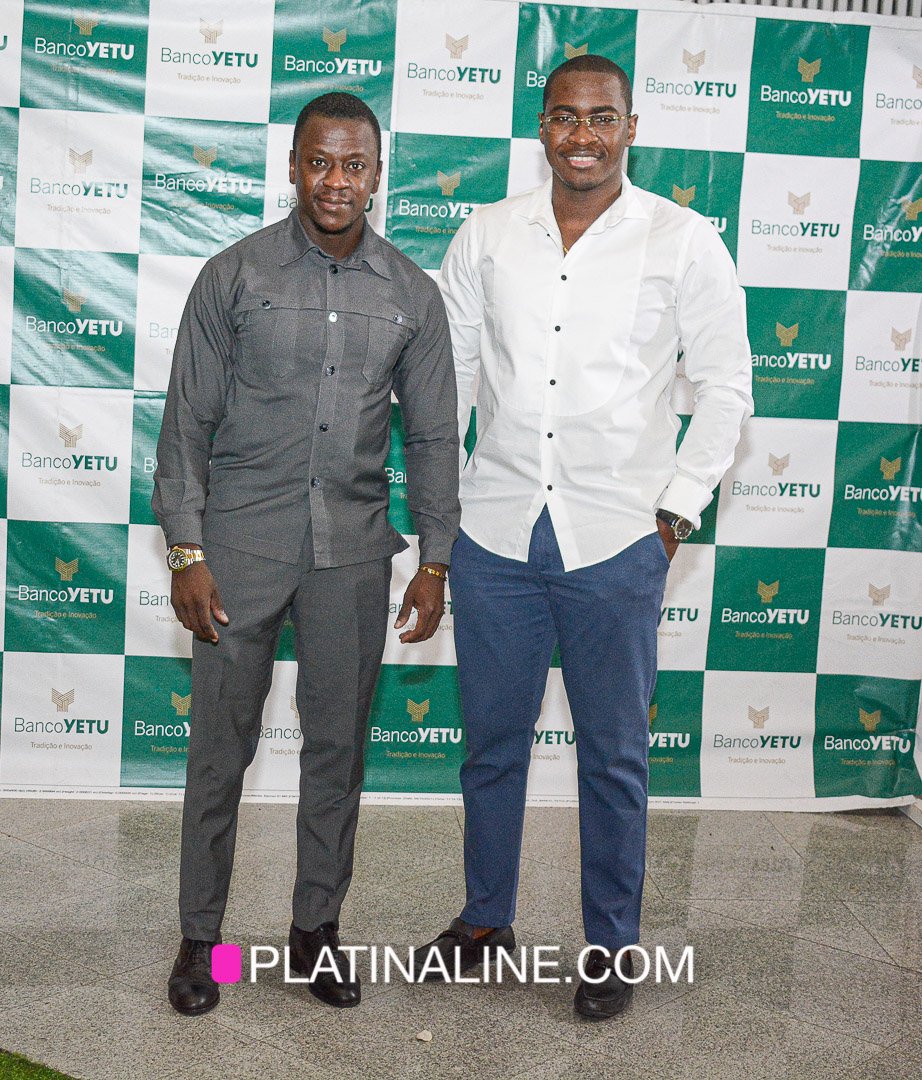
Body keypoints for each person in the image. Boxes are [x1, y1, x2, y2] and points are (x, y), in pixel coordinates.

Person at [415, 55, 752, 1018]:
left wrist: (674, 514)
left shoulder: (683, 241)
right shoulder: (488, 235)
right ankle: (486, 920)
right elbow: (448, 386)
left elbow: (726, 388)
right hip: (496, 533)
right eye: (565, 116)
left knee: (613, 757)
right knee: (491, 746)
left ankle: (611, 946)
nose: (583, 136)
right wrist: (441, 527)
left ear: (631, 127)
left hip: (616, 539)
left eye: (603, 117)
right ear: (543, 127)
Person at [152, 92, 460, 1016]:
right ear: (292, 167)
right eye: (319, 162)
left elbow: (433, 438)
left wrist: (436, 558)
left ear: (377, 174)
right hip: (237, 550)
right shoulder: (233, 275)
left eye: (353, 165)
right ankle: (202, 942)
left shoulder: (411, 293)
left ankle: (315, 933)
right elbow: (186, 424)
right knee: (220, 752)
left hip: (352, 557)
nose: (335, 181)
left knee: (337, 752)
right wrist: (185, 551)